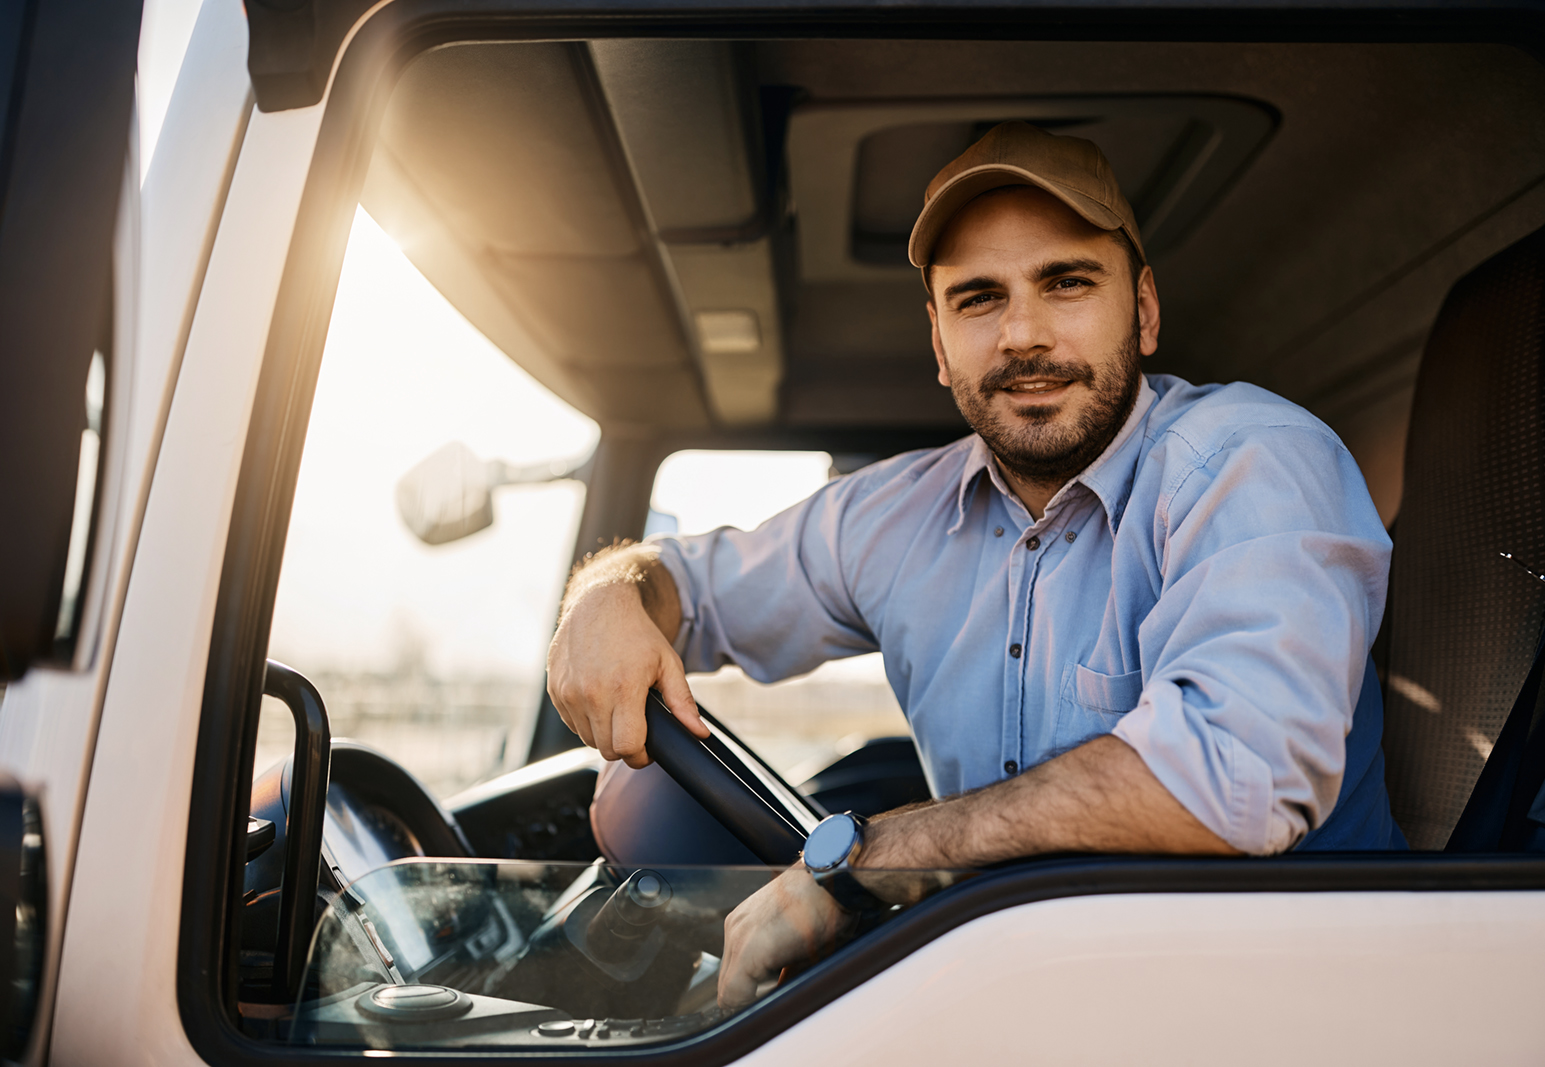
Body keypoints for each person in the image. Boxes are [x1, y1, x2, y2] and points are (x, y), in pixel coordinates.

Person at [546, 121, 1403, 1009]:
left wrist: (870, 862)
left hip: (1280, 1004)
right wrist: (607, 596)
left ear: (1143, 310)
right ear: (939, 338)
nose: (1024, 335)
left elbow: (1228, 778)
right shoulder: (894, 515)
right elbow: (687, 586)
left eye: (1067, 282)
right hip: (1014, 998)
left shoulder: (1251, 461)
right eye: (979, 298)